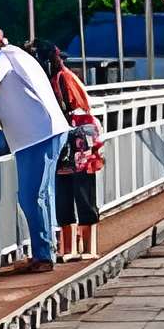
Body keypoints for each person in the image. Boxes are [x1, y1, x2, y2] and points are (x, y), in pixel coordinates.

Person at [0, 26, 66, 267]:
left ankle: (44, 255)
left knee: (30, 197)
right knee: (44, 194)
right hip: (48, 129)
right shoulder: (20, 55)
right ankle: (49, 249)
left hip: (35, 135)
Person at [45, 42, 101, 262]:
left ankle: (77, 248)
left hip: (73, 141)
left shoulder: (61, 79)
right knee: (75, 193)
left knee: (74, 193)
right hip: (79, 141)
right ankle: (80, 247)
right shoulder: (66, 77)